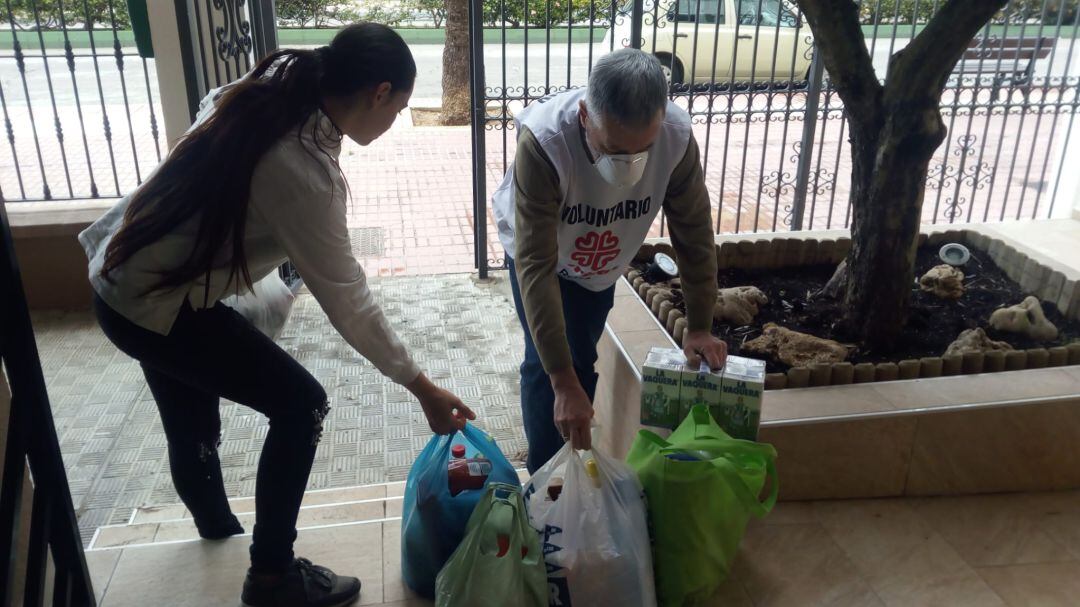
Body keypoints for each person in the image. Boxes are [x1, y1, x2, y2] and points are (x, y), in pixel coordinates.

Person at [79, 24, 473, 607]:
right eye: (399, 109)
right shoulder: (303, 170)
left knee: (193, 422)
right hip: (155, 301)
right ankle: (270, 576)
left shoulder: (274, 83)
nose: (393, 124)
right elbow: (349, 300)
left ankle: (219, 539)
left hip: (125, 281)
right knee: (300, 404)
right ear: (379, 92)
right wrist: (423, 387)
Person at [492, 49, 726, 473]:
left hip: (601, 259)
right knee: (552, 369)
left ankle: (573, 460)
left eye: (643, 150)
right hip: (543, 254)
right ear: (584, 115)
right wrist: (562, 380)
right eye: (614, 148)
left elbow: (693, 233)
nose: (628, 166)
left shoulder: (675, 137)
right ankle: (548, 481)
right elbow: (536, 265)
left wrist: (699, 326)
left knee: (581, 356)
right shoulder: (545, 144)